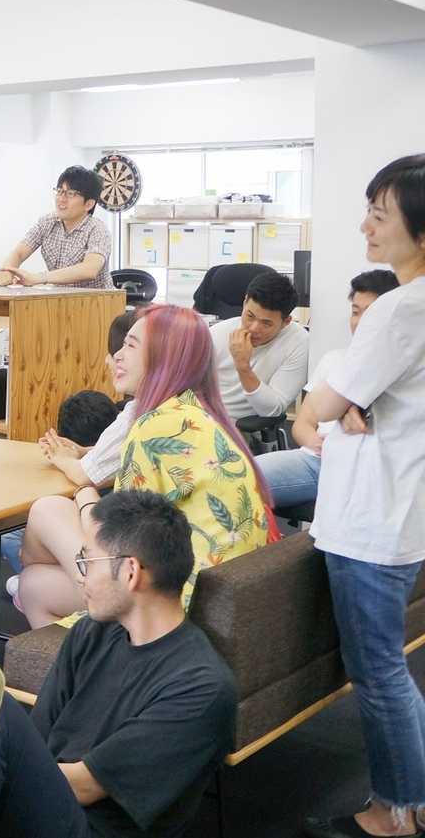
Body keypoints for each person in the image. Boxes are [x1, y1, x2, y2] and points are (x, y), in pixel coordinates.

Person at [0, 490, 238, 838]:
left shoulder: (203, 688)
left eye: (87, 561)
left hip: (88, 826)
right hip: (41, 803)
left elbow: (85, 787)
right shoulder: (92, 632)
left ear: (130, 573)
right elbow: (37, 740)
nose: (80, 575)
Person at [300, 156, 425, 838]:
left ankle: (394, 812)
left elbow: (322, 403)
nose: (365, 228)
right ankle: (414, 798)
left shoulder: (400, 308)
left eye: (380, 216)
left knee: (378, 674)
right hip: (400, 510)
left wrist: (343, 397)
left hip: (371, 518)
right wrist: (354, 397)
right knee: (389, 670)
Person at [17, 304, 276, 629]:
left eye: (130, 345)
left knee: (46, 513)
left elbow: (114, 544)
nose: (117, 355)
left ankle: (101, 651)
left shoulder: (154, 427)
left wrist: (84, 493)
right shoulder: (200, 415)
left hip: (173, 605)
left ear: (163, 359)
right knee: (33, 584)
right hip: (216, 597)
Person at [2, 308, 140, 582]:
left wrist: (65, 460)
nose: (111, 359)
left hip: (127, 552)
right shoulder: (183, 407)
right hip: (139, 545)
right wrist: (81, 452)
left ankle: (56, 582)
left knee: (18, 539)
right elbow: (120, 453)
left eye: (127, 348)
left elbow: (84, 476)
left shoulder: (138, 413)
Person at [256, 269, 398, 509]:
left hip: (370, 471)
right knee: (237, 478)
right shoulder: (334, 359)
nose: (360, 321)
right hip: (315, 460)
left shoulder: (406, 370)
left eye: (371, 312)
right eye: (355, 312)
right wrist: (320, 445)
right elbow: (302, 424)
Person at [208, 270, 309, 422]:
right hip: (199, 415)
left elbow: (273, 410)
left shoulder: (298, 342)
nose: (253, 328)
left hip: (235, 424)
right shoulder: (217, 333)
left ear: (286, 322)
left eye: (266, 323)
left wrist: (243, 365)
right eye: (250, 316)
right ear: (244, 302)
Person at [0, 166, 112, 289]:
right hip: (60, 297)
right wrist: (7, 272)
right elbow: (19, 253)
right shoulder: (47, 222)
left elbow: (89, 269)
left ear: (88, 204)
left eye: (70, 194)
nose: (61, 199)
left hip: (98, 299)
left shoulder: (97, 230)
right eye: (59, 191)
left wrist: (38, 278)